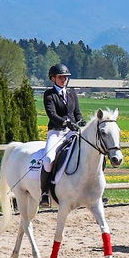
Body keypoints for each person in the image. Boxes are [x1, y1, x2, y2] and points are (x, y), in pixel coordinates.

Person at [39, 64, 82, 205]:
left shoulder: (72, 94)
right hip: (56, 132)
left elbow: (77, 113)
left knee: (89, 152)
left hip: (72, 132)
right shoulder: (49, 94)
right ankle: (45, 193)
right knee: (48, 159)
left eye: (65, 77)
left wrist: (82, 122)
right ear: (53, 78)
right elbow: (52, 115)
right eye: (61, 77)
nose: (64, 79)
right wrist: (66, 123)